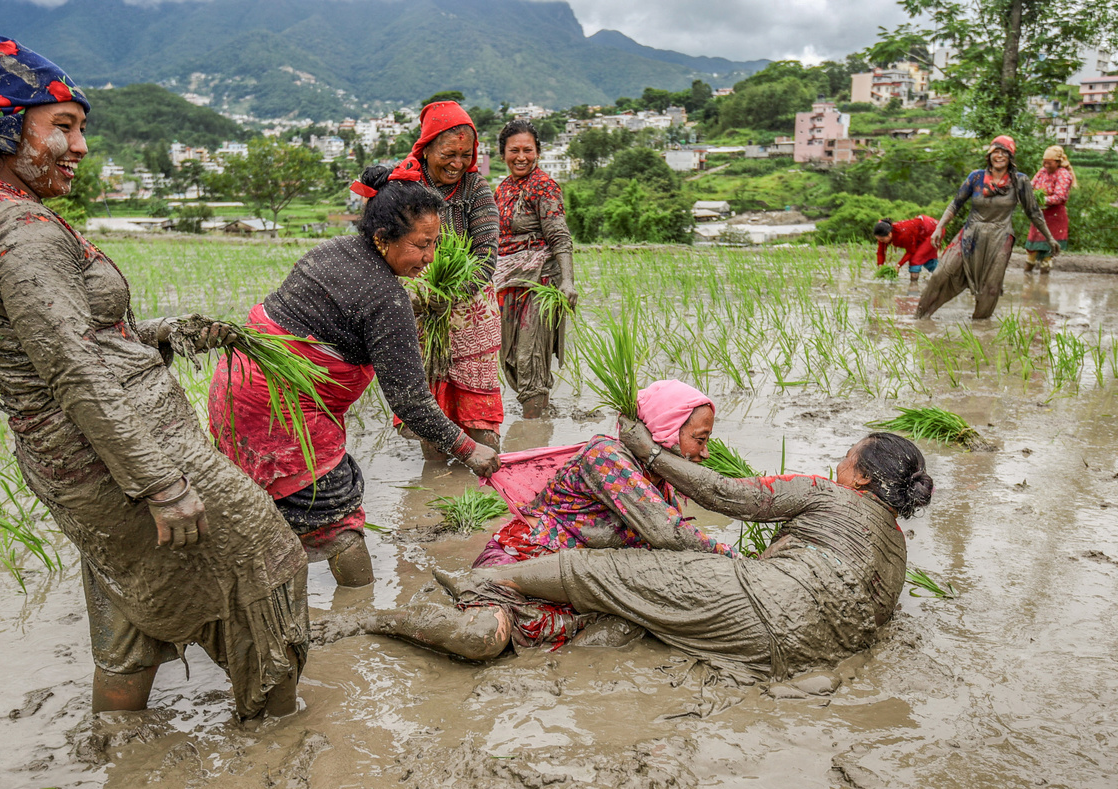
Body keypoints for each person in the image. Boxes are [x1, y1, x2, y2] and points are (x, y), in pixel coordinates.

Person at [0, 36, 307, 719]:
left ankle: (121, 744)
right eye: (63, 128)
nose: (78, 147)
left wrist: (164, 335)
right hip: (124, 458)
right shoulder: (21, 233)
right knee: (266, 557)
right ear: (8, 129)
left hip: (82, 461)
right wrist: (162, 484)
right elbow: (75, 372)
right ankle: (279, 735)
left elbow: (74, 341)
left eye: (82, 129)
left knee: (127, 585)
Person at [427, 428, 933, 683]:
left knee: (602, 574)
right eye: (700, 437)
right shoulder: (898, 547)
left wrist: (651, 454)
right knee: (624, 608)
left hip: (764, 609)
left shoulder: (829, 493)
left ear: (863, 478)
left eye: (847, 460)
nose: (838, 465)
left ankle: (479, 584)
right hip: (810, 653)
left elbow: (726, 495)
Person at [208, 166, 501, 587]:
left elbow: (336, 315)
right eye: (422, 245)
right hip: (281, 416)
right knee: (335, 513)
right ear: (382, 238)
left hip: (234, 390)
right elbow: (411, 403)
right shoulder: (387, 299)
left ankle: (264, 595)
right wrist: (469, 449)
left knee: (263, 512)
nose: (432, 257)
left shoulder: (332, 251)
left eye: (436, 243)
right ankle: (358, 614)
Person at [312, 380, 740, 658]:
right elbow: (666, 532)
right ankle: (374, 618)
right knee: (480, 640)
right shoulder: (608, 457)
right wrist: (734, 558)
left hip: (577, 584)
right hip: (522, 569)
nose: (703, 451)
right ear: (663, 429)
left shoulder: (658, 478)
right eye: (698, 438)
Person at [384, 101, 503, 456]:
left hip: (471, 311)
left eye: (466, 154)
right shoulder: (403, 188)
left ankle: (489, 486)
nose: (458, 163)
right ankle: (438, 484)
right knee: (431, 410)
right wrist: (420, 294)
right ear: (426, 148)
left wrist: (452, 292)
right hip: (418, 309)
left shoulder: (476, 189)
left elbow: (486, 257)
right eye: (449, 153)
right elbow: (385, 247)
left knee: (477, 414)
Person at [917, 135, 1059, 320]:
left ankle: (979, 327)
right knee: (940, 274)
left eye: (1004, 153)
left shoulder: (1019, 181)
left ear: (1010, 157)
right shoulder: (976, 177)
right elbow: (955, 204)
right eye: (995, 152)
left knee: (991, 288)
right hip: (970, 234)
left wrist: (1049, 238)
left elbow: (1033, 212)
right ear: (989, 156)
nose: (999, 156)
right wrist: (939, 227)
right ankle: (920, 317)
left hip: (1000, 236)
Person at [493, 120, 577, 419]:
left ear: (537, 152)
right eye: (513, 150)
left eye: (528, 150)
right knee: (510, 358)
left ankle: (535, 432)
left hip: (539, 283)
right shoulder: (502, 190)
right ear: (502, 153)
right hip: (507, 284)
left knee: (531, 359)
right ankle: (538, 420)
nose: (521, 156)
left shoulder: (543, 185)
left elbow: (559, 237)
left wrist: (567, 282)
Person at [1024, 145, 1076, 274]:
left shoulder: (1063, 174)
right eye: (1044, 162)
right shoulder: (1042, 171)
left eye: (1049, 163)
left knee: (1047, 251)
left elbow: (1060, 196)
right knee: (1032, 251)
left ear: (1058, 162)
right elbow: (1031, 185)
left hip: (1055, 216)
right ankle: (1027, 280)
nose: (1046, 165)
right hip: (1040, 215)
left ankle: (1043, 283)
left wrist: (1042, 200)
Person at [873, 215, 939, 283]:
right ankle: (940, 275)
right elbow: (881, 252)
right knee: (924, 257)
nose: (881, 241)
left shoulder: (904, 234)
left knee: (916, 259)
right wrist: (880, 266)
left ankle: (914, 287)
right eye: (879, 239)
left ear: (889, 234)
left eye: (882, 239)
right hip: (919, 231)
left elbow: (911, 251)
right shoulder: (883, 236)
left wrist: (898, 266)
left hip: (932, 229)